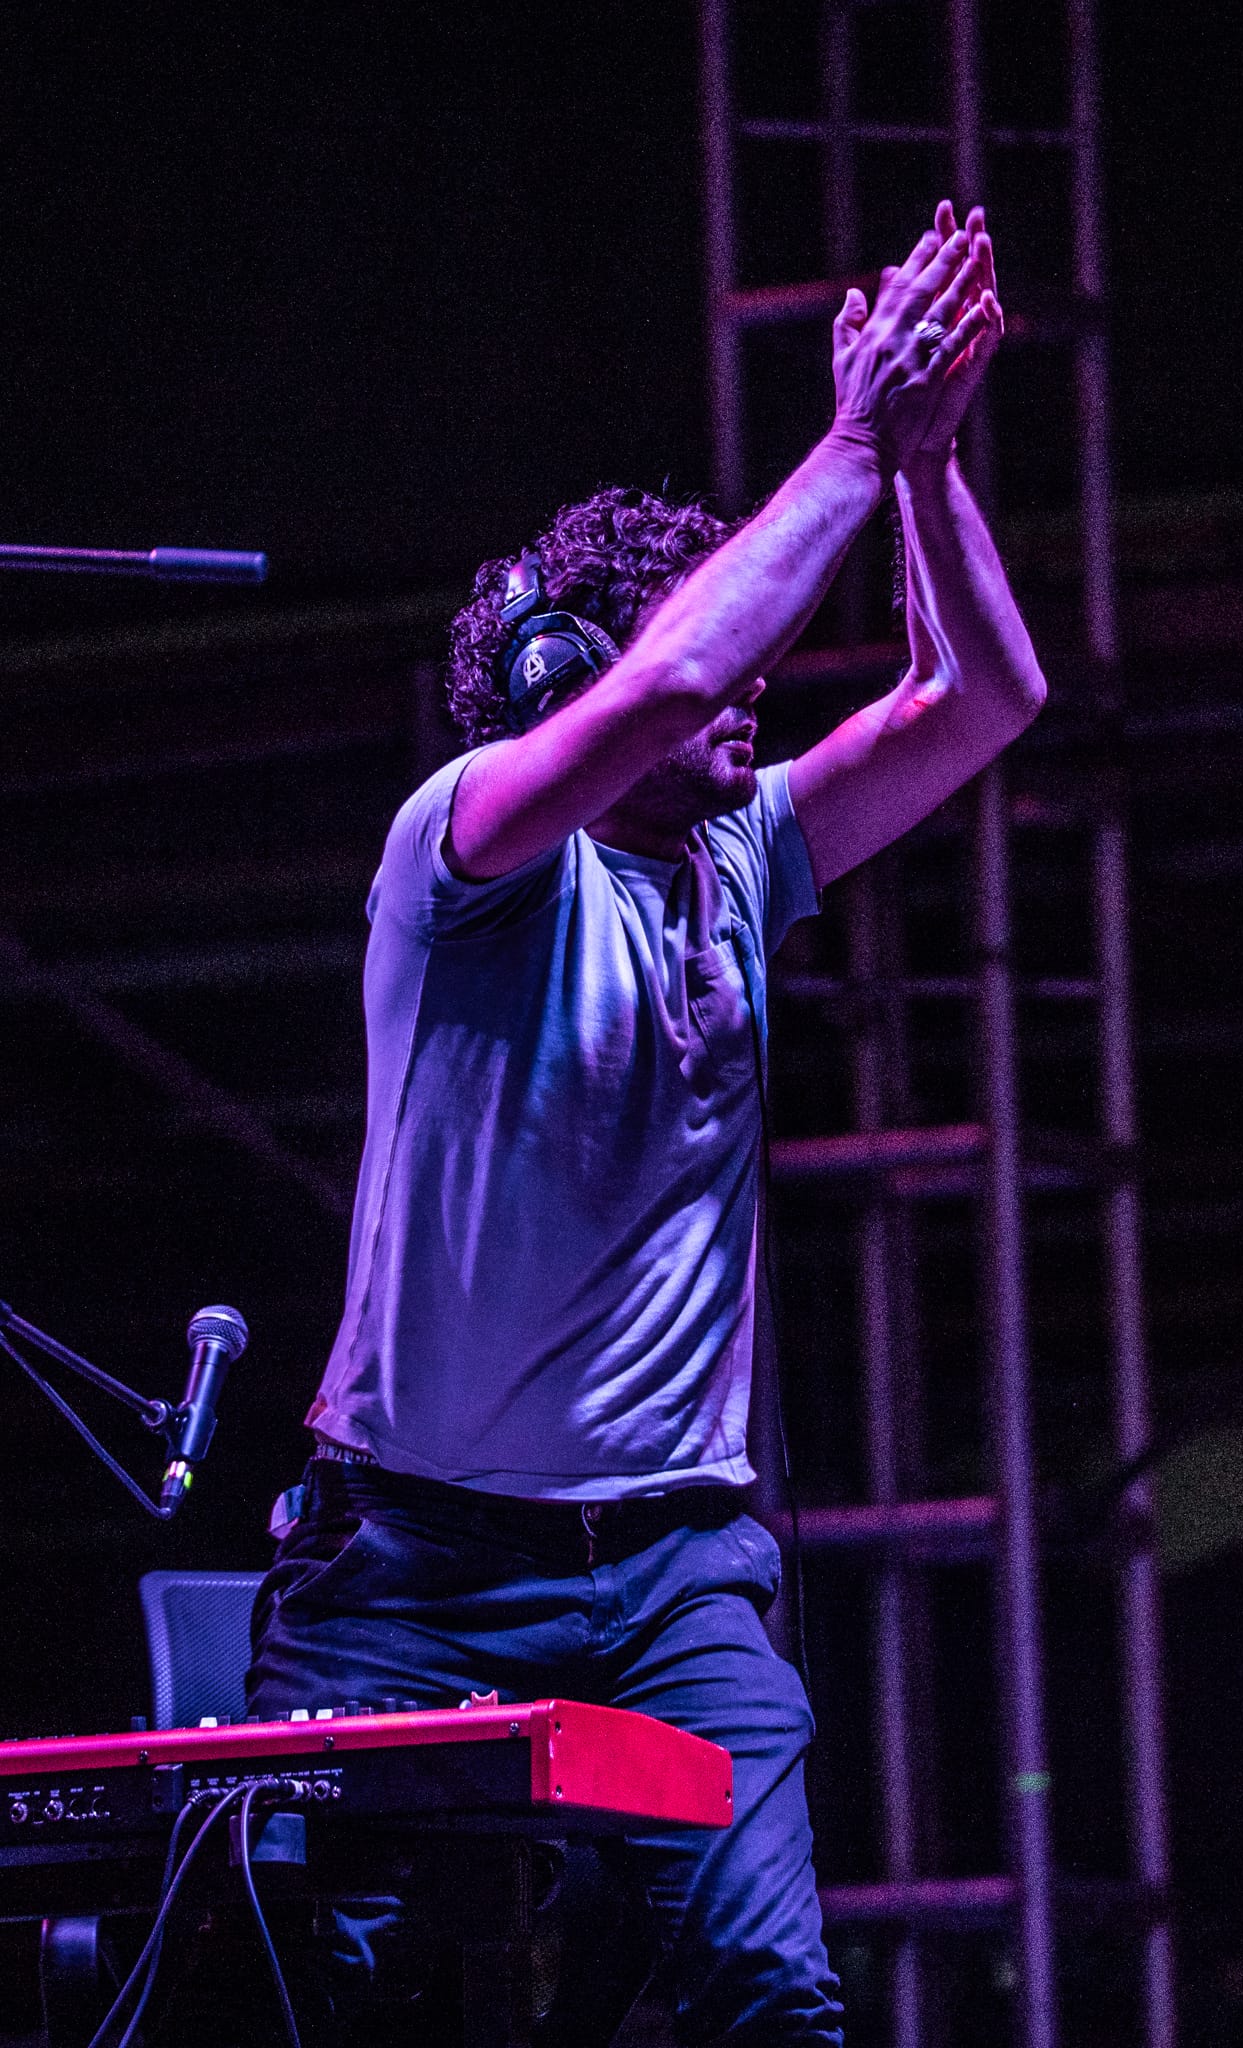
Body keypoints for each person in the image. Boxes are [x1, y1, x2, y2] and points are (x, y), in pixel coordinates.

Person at [246, 199, 1046, 2045]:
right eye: (719, 650)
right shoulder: (467, 851)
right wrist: (851, 439)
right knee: (330, 1999)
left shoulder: (741, 853)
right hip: (412, 1569)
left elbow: (981, 695)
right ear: (563, 686)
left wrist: (924, 468)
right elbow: (676, 673)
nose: (755, 680)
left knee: (767, 1994)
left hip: (673, 1569)